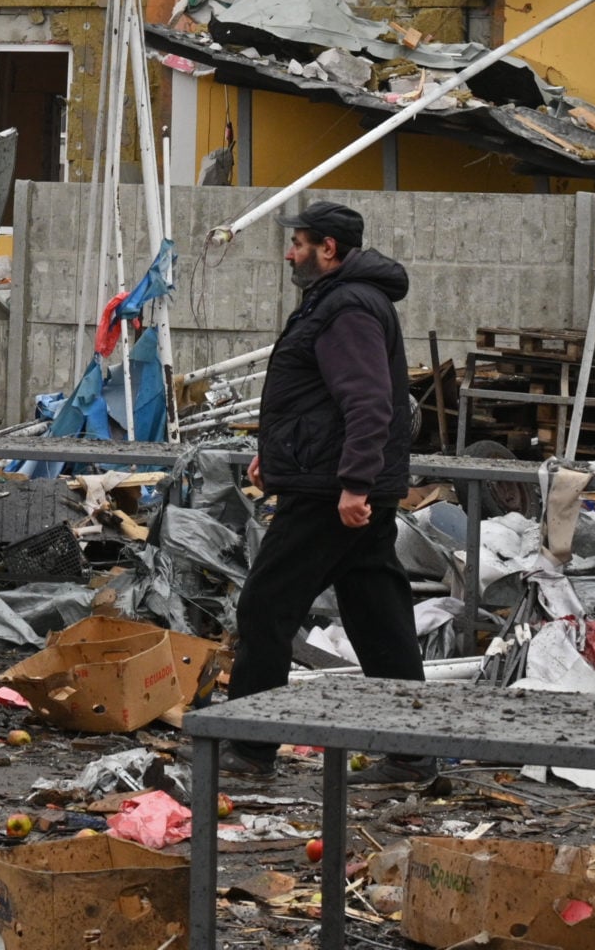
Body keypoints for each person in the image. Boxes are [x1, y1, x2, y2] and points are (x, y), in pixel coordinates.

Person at [221, 200, 433, 785]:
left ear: (329, 249)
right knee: (379, 620)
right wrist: (277, 454)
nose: (290, 254)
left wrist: (354, 483)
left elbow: (368, 401)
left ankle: (249, 746)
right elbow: (315, 398)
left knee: (266, 605)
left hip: (330, 493)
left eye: (299, 244)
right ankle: (413, 753)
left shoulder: (347, 308)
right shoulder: (337, 302)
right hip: (329, 481)